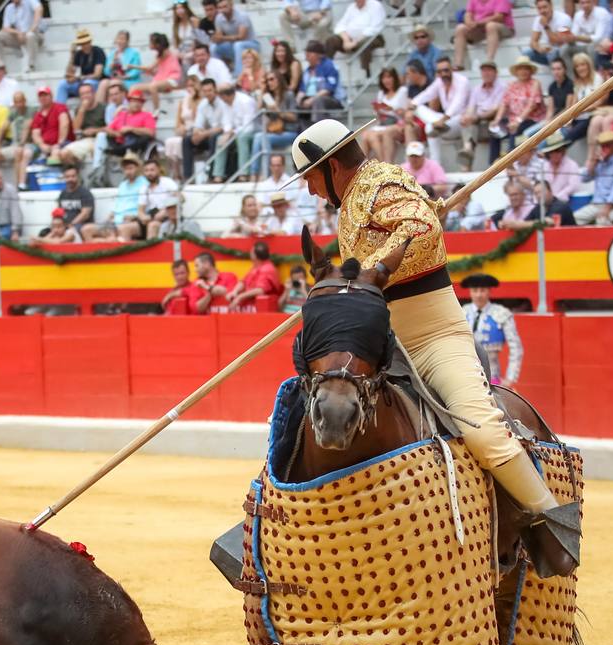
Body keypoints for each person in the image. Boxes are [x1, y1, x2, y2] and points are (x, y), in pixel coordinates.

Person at [285, 117, 579, 577]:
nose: (309, 192)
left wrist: (369, 274)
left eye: (309, 179)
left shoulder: (383, 183)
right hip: (385, 341)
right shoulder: (351, 204)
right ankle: (278, 509)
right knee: (304, 404)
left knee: (483, 431)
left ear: (331, 167)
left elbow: (422, 230)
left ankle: (549, 522)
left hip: (436, 337)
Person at [461, 273, 521, 389]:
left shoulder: (502, 314)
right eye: (475, 290)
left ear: (489, 291)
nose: (478, 295)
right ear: (470, 292)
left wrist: (510, 378)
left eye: (482, 290)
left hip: (492, 376)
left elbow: (516, 348)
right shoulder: (461, 313)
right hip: (464, 375)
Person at [408, 57, 470, 163]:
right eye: (440, 71)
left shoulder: (462, 81)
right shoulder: (439, 82)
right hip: (442, 123)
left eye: (446, 70)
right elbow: (427, 94)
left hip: (460, 122)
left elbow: (457, 104)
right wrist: (412, 105)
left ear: (452, 69)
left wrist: (443, 120)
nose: (443, 74)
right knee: (424, 118)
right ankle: (435, 163)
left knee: (430, 126)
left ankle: (437, 125)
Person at [574, 129, 613, 224]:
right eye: (602, 146)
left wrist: (608, 207)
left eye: (607, 145)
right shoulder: (600, 161)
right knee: (573, 219)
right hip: (597, 204)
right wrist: (592, 163)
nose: (604, 148)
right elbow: (584, 178)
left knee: (602, 221)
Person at [82, 151, 144, 240]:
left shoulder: (144, 183)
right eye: (126, 169)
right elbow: (118, 205)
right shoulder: (123, 185)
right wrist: (109, 217)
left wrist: (135, 217)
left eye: (131, 168)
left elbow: (145, 207)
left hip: (130, 220)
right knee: (87, 229)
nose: (128, 171)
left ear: (138, 168)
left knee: (118, 233)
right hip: (115, 220)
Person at [457, 60, 505, 169]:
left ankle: (469, 151)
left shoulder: (502, 87)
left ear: (496, 72)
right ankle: (467, 153)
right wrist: (467, 117)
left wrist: (475, 117)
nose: (486, 73)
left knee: (473, 126)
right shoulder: (476, 89)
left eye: (489, 70)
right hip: (479, 123)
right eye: (484, 70)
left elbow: (495, 109)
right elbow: (470, 108)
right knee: (466, 123)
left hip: (496, 121)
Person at [491, 57, 545, 153]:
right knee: (494, 129)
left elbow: (531, 105)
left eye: (526, 68)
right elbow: (504, 103)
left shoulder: (535, 83)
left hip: (531, 119)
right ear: (516, 71)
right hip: (513, 119)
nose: (523, 71)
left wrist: (518, 121)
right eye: (520, 68)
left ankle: (510, 159)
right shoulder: (511, 85)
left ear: (530, 71)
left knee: (515, 128)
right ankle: (493, 163)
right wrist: (497, 120)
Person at [324, 0, 385, 77]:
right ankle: (326, 68)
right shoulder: (351, 8)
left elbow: (374, 28)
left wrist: (355, 42)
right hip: (350, 39)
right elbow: (340, 26)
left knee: (365, 43)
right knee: (331, 40)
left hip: (372, 38)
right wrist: (346, 40)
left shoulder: (376, 5)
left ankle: (366, 73)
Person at [182, 77, 228, 181]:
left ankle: (211, 174)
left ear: (215, 90)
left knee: (214, 138)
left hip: (223, 135)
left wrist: (203, 134)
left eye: (210, 90)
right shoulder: (203, 104)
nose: (208, 93)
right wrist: (196, 134)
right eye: (205, 91)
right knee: (187, 140)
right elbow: (198, 124)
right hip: (209, 134)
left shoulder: (223, 103)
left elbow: (223, 127)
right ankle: (188, 177)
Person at [453, 1, 513, 72]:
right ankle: (459, 64)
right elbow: (468, 14)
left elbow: (499, 17)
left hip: (503, 28)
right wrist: (469, 23)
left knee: (491, 25)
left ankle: (489, 61)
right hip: (481, 29)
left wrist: (478, 23)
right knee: (460, 28)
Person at [59, 82, 107, 168]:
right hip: (84, 140)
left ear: (93, 94)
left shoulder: (103, 108)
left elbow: (111, 128)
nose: (85, 96)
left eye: (88, 93)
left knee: (95, 151)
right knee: (64, 154)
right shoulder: (79, 109)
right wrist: (82, 110)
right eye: (82, 94)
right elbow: (76, 129)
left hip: (101, 139)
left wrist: (95, 130)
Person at [226, 240, 283, 312]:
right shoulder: (255, 267)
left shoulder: (268, 269)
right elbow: (243, 282)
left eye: (251, 251)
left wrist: (240, 297)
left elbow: (260, 290)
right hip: (250, 309)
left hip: (263, 310)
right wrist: (234, 291)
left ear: (255, 255)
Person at [211, 0, 260, 78]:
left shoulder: (242, 16)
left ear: (231, 5)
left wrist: (222, 38)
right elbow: (219, 37)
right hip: (233, 46)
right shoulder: (219, 18)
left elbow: (241, 37)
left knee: (238, 45)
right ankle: (217, 74)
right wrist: (215, 38)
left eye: (225, 6)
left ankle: (238, 75)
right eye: (220, 7)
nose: (223, 10)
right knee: (213, 47)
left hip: (251, 44)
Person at [104, 87, 156, 160]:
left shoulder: (147, 115)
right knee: (107, 136)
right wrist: (115, 133)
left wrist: (131, 129)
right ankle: (121, 150)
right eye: (134, 101)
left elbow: (151, 132)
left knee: (145, 138)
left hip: (136, 142)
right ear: (129, 102)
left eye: (140, 102)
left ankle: (121, 150)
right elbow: (108, 129)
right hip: (121, 141)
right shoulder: (122, 114)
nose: (137, 104)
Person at [135, 32, 182, 113]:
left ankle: (156, 110)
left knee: (153, 86)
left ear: (157, 44)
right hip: (162, 80)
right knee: (135, 88)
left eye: (151, 42)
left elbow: (149, 68)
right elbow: (155, 71)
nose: (149, 44)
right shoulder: (159, 55)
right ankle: (138, 110)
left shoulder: (165, 52)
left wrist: (132, 66)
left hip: (172, 79)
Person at [297, 39, 344, 120]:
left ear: (319, 54)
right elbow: (302, 90)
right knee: (298, 103)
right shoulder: (307, 71)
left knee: (319, 101)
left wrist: (312, 99)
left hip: (331, 99)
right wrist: (299, 100)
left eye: (310, 52)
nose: (307, 54)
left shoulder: (329, 65)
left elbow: (328, 89)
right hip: (310, 99)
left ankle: (318, 129)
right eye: (307, 52)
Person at [0, 0, 44, 71]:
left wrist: (31, 29)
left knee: (30, 35)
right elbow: (5, 28)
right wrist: (18, 32)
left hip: (35, 34)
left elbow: (39, 9)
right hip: (19, 36)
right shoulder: (9, 8)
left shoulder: (30, 1)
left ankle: (31, 65)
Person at [138, 158, 180, 238]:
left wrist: (166, 211)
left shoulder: (167, 182)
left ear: (159, 170)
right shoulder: (144, 188)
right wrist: (144, 217)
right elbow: (140, 211)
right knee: (124, 227)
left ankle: (149, 251)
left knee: (152, 226)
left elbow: (181, 198)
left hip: (168, 217)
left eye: (152, 170)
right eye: (146, 170)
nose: (149, 173)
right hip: (151, 217)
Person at [537, 132, 581, 202]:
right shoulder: (544, 166)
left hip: (565, 203)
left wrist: (557, 197)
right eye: (551, 151)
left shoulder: (572, 165)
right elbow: (539, 184)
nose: (555, 154)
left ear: (563, 151)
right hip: (546, 202)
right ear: (548, 153)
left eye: (558, 150)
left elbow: (574, 186)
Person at [566, 0, 610, 68]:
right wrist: (568, 38)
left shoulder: (602, 13)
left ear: (593, 2)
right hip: (581, 46)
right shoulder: (578, 15)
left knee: (591, 48)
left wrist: (578, 38)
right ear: (579, 4)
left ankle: (592, 75)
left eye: (588, 2)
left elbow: (598, 38)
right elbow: (574, 35)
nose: (585, 5)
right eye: (582, 3)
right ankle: (571, 77)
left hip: (599, 45)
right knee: (564, 49)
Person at [527, 0, 572, 67]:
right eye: (539, 8)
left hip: (565, 50)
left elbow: (557, 42)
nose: (542, 11)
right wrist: (540, 49)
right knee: (527, 53)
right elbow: (532, 42)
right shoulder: (538, 19)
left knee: (553, 52)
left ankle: (557, 72)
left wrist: (545, 26)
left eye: (545, 7)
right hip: (550, 50)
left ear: (551, 6)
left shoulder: (564, 18)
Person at [55, 165, 95, 234]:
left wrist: (70, 224)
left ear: (78, 177)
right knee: (46, 232)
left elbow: (85, 214)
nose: (70, 179)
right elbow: (59, 212)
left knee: (69, 232)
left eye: (73, 176)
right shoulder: (63, 194)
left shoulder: (85, 193)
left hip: (81, 225)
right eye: (67, 177)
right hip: (65, 225)